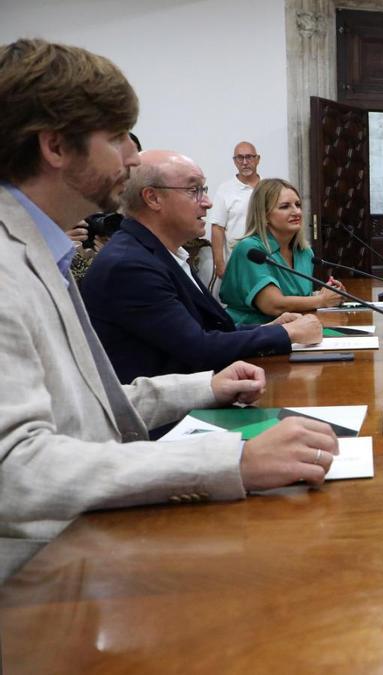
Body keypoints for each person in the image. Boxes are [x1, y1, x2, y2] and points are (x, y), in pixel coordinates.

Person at [0, 38, 339, 582]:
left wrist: (203, 387)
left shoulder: (42, 250)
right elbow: (14, 471)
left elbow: (91, 405)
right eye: (115, 139)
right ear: (55, 147)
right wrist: (230, 462)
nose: (132, 159)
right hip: (42, 572)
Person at [81, 150, 324, 383]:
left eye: (203, 190)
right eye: (194, 190)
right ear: (153, 198)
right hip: (169, 416)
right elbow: (198, 348)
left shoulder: (165, 252)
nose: (207, 203)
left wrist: (267, 327)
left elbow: (207, 329)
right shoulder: (130, 265)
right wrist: (287, 334)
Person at [219, 178, 344, 323]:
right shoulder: (251, 250)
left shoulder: (305, 252)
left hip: (297, 330)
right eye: (285, 206)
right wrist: (321, 300)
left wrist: (330, 294)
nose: (296, 212)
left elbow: (298, 296)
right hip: (252, 334)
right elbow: (273, 305)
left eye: (298, 205)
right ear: (264, 215)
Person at [206, 141, 261, 293]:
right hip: (237, 262)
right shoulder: (225, 190)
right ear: (234, 161)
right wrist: (219, 263)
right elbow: (217, 227)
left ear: (258, 159)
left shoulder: (268, 188)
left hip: (267, 260)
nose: (244, 162)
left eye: (249, 157)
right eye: (240, 158)